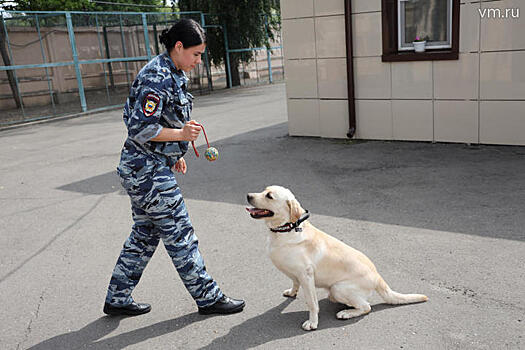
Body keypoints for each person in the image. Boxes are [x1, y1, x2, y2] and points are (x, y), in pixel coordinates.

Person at [103, 18, 245, 316]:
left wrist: (174, 151)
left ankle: (117, 297)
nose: (198, 60)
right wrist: (181, 136)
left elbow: (163, 122)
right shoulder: (157, 77)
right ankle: (208, 297)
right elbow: (141, 128)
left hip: (147, 166)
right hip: (147, 171)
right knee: (180, 233)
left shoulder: (174, 71)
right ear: (178, 47)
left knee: (145, 234)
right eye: (195, 54)